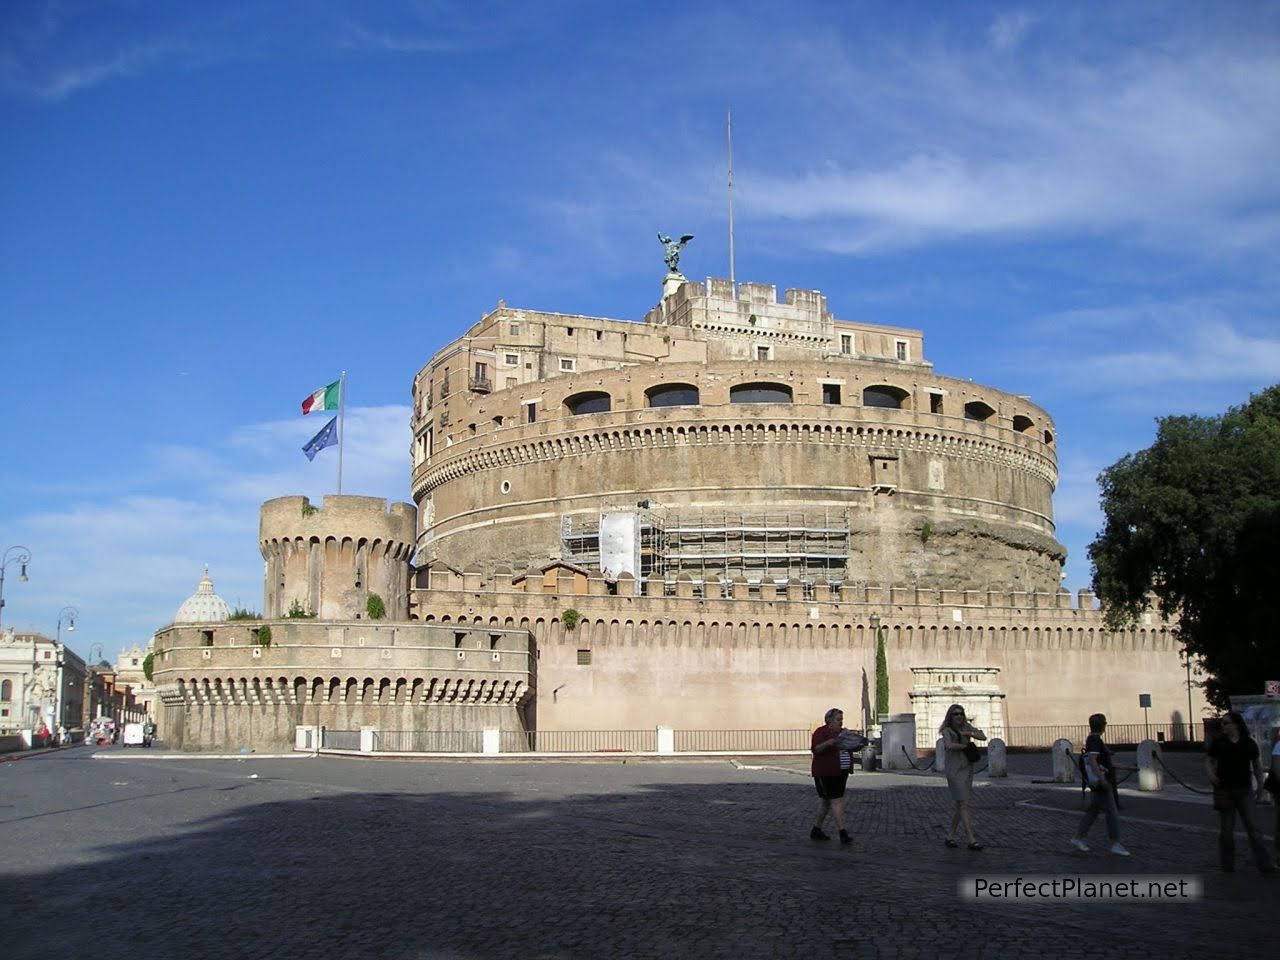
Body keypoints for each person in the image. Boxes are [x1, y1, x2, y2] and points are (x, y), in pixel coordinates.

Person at [1206, 710, 1276, 874]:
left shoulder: (1248, 743)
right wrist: (1210, 773)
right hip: (1225, 790)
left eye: (1226, 723)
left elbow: (1257, 766)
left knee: (1254, 828)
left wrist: (1260, 785)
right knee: (1226, 831)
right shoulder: (1219, 742)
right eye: (1222, 723)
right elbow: (1209, 760)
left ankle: (1265, 864)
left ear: (1236, 725)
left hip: (1244, 790)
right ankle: (1227, 865)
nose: (1223, 726)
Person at [1070, 713, 1133, 856]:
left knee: (1093, 811)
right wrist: (1102, 780)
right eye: (1105, 723)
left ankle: (1078, 837)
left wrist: (1127, 768)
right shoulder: (1094, 740)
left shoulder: (1093, 739)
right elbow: (1093, 761)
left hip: (1099, 782)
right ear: (1102, 725)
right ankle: (1114, 842)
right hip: (1101, 782)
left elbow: (1105, 763)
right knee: (1112, 813)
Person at [939, 704, 986, 850]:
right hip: (954, 770)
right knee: (963, 803)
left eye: (961, 713)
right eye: (955, 714)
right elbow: (948, 745)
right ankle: (971, 839)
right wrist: (965, 746)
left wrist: (969, 734)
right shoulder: (947, 730)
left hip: (966, 768)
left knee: (961, 805)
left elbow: (983, 736)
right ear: (950, 716)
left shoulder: (967, 727)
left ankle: (950, 835)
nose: (959, 716)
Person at [810, 707, 853, 846]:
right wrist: (830, 742)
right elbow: (816, 749)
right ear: (829, 720)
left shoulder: (842, 733)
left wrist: (855, 740)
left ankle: (816, 829)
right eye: (838, 719)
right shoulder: (821, 732)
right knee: (837, 800)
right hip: (826, 771)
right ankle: (843, 832)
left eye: (842, 720)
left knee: (827, 802)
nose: (841, 722)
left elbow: (850, 747)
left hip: (841, 770)